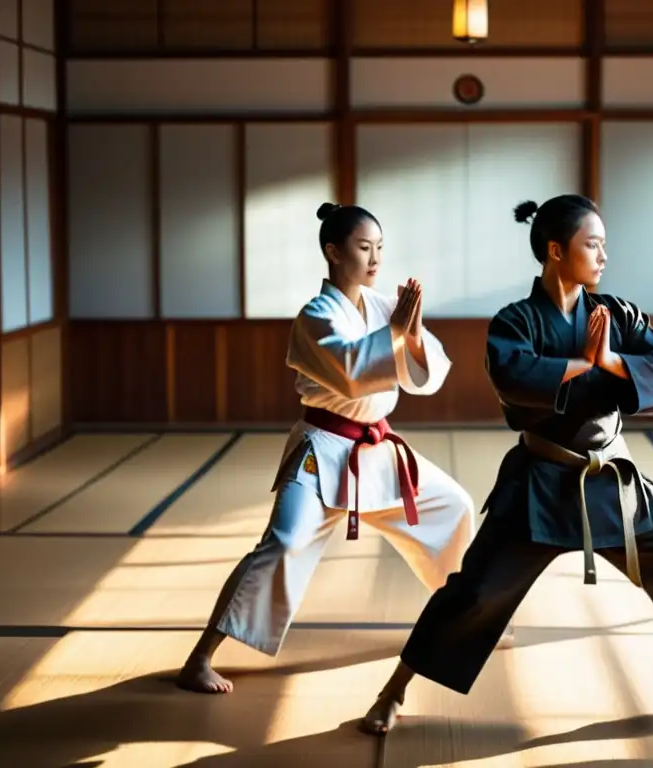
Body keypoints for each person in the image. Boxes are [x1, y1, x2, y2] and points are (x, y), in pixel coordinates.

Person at [360, 194, 653, 733]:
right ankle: (393, 691)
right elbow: (513, 376)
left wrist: (613, 359)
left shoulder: (617, 314)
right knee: (475, 593)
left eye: (604, 245)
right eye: (591, 245)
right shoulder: (516, 321)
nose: (603, 256)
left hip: (610, 483)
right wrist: (583, 364)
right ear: (555, 250)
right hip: (540, 486)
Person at [176, 202, 478, 694]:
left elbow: (429, 369)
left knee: (454, 506)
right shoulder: (315, 316)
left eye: (380, 248)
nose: (375, 258)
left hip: (377, 452)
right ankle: (200, 658)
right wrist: (397, 333)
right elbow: (350, 372)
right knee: (285, 542)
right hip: (324, 452)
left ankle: (466, 618)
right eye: (364, 247)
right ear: (333, 252)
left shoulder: (382, 306)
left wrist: (412, 332)